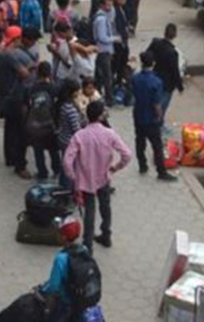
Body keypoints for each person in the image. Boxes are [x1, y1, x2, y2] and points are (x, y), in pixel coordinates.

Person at [63, 100, 132, 250]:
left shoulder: (79, 136)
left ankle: (88, 245)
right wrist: (114, 168)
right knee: (105, 208)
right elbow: (127, 154)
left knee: (89, 213)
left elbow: (67, 162)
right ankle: (106, 235)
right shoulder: (109, 134)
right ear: (101, 116)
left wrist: (74, 178)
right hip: (104, 178)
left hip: (85, 182)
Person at [40, 216, 91, 322]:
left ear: (62, 237)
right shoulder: (84, 249)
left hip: (64, 300)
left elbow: (54, 286)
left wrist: (44, 292)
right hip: (80, 297)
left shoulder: (61, 258)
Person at [0, 26, 41, 180]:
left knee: (10, 128)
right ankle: (19, 165)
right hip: (17, 98)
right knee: (21, 131)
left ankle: (10, 157)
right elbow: (25, 74)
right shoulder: (13, 54)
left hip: (8, 95)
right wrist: (33, 66)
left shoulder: (4, 51)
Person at [132, 52, 175, 181]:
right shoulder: (156, 82)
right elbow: (157, 104)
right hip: (151, 118)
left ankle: (142, 165)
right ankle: (161, 171)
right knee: (157, 145)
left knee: (140, 141)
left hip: (138, 114)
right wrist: (159, 115)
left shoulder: (135, 78)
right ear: (153, 64)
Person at [25, 61, 61, 181]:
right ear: (50, 73)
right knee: (53, 150)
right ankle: (57, 170)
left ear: (37, 73)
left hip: (35, 125)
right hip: (50, 125)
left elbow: (27, 105)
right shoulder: (53, 88)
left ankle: (42, 173)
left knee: (38, 151)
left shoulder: (32, 88)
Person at [147, 23, 184, 120]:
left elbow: (147, 54)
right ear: (175, 35)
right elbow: (175, 71)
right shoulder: (173, 53)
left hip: (155, 76)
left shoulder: (156, 43)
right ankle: (159, 123)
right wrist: (179, 85)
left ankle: (156, 120)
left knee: (155, 101)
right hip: (167, 83)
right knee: (163, 105)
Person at [55, 78, 83, 189]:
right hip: (70, 141)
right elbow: (76, 128)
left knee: (65, 163)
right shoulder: (70, 108)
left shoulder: (62, 104)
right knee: (70, 165)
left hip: (62, 138)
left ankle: (63, 185)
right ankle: (68, 189)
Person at [93, 0, 119, 105]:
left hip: (104, 50)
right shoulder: (101, 19)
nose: (110, 7)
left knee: (102, 75)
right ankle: (109, 98)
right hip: (103, 51)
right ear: (102, 5)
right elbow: (102, 37)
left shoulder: (103, 16)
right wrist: (115, 38)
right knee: (106, 76)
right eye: (108, 5)